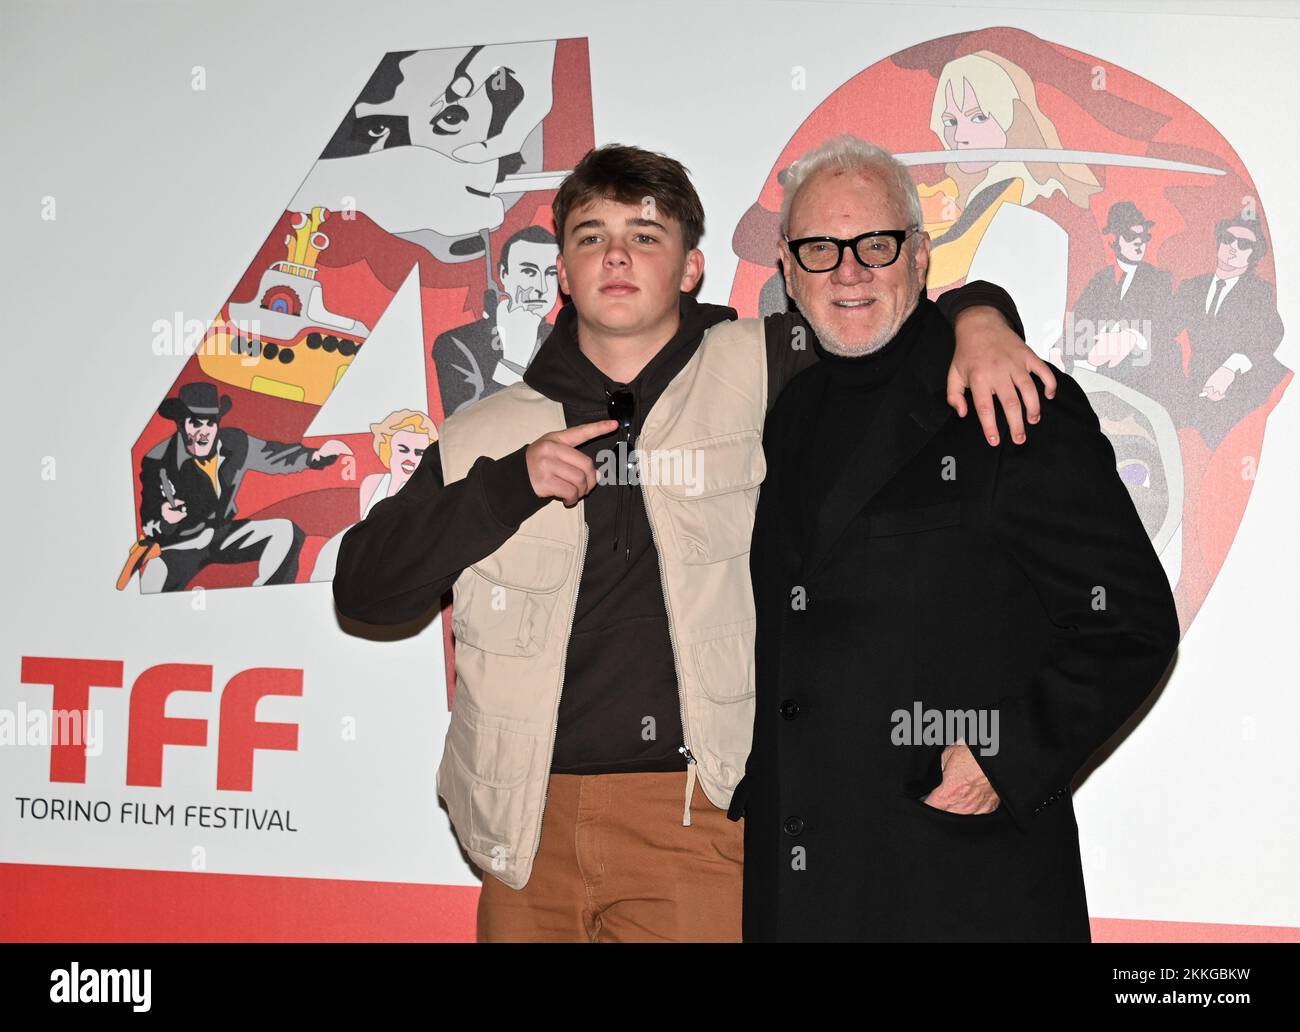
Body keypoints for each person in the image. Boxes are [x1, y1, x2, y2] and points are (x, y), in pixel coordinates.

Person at [332, 143, 1052, 943]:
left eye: (645, 236)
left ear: (691, 268)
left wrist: (981, 313)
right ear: (561, 271)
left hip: (700, 815)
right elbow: (364, 591)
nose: (615, 255)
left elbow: (878, 310)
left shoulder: (768, 364)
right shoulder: (482, 433)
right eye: (589, 235)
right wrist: (507, 487)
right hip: (522, 832)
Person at [733, 134, 1180, 941]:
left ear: (919, 255)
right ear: (788, 270)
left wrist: (1000, 758)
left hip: (957, 883)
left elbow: (1132, 623)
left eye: (876, 243)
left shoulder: (1006, 396)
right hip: (801, 888)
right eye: (820, 249)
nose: (849, 270)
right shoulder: (788, 413)